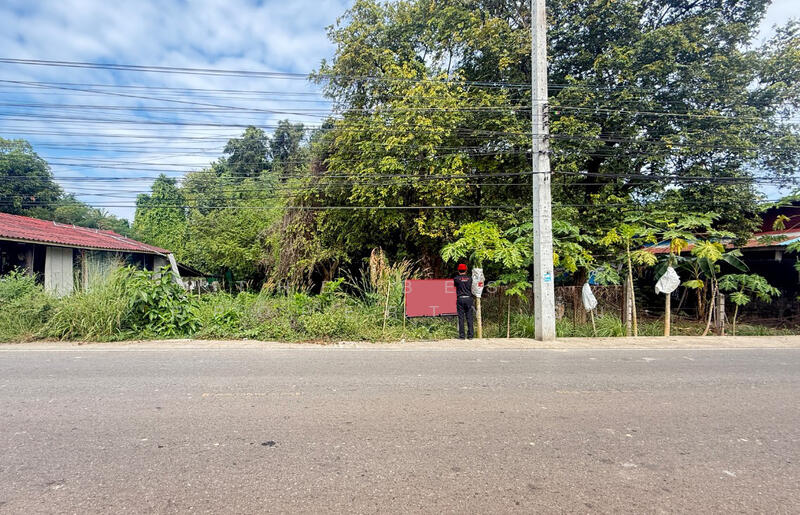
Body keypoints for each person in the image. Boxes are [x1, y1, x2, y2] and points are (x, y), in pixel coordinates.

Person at [454, 263, 474, 339]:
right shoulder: (470, 278)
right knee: (469, 317)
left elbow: (456, 285)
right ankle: (470, 336)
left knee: (461, 318)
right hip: (469, 298)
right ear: (466, 270)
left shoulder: (456, 279)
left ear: (458, 270)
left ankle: (462, 336)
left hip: (460, 299)